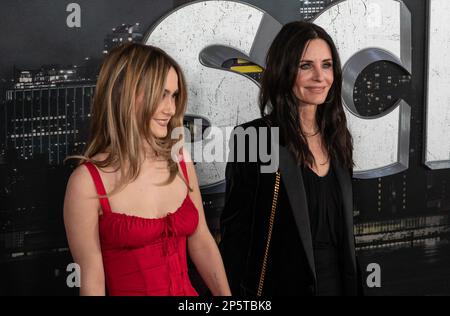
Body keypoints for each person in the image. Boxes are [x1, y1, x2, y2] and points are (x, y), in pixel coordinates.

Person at [64, 43, 230, 296]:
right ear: (126, 93)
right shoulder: (86, 182)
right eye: (161, 94)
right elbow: (92, 281)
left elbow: (202, 243)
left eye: (173, 95)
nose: (171, 109)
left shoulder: (180, 161)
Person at [220, 21, 363, 296]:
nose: (320, 77)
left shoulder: (339, 137)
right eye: (305, 65)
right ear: (284, 71)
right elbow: (236, 237)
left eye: (327, 65)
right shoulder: (255, 138)